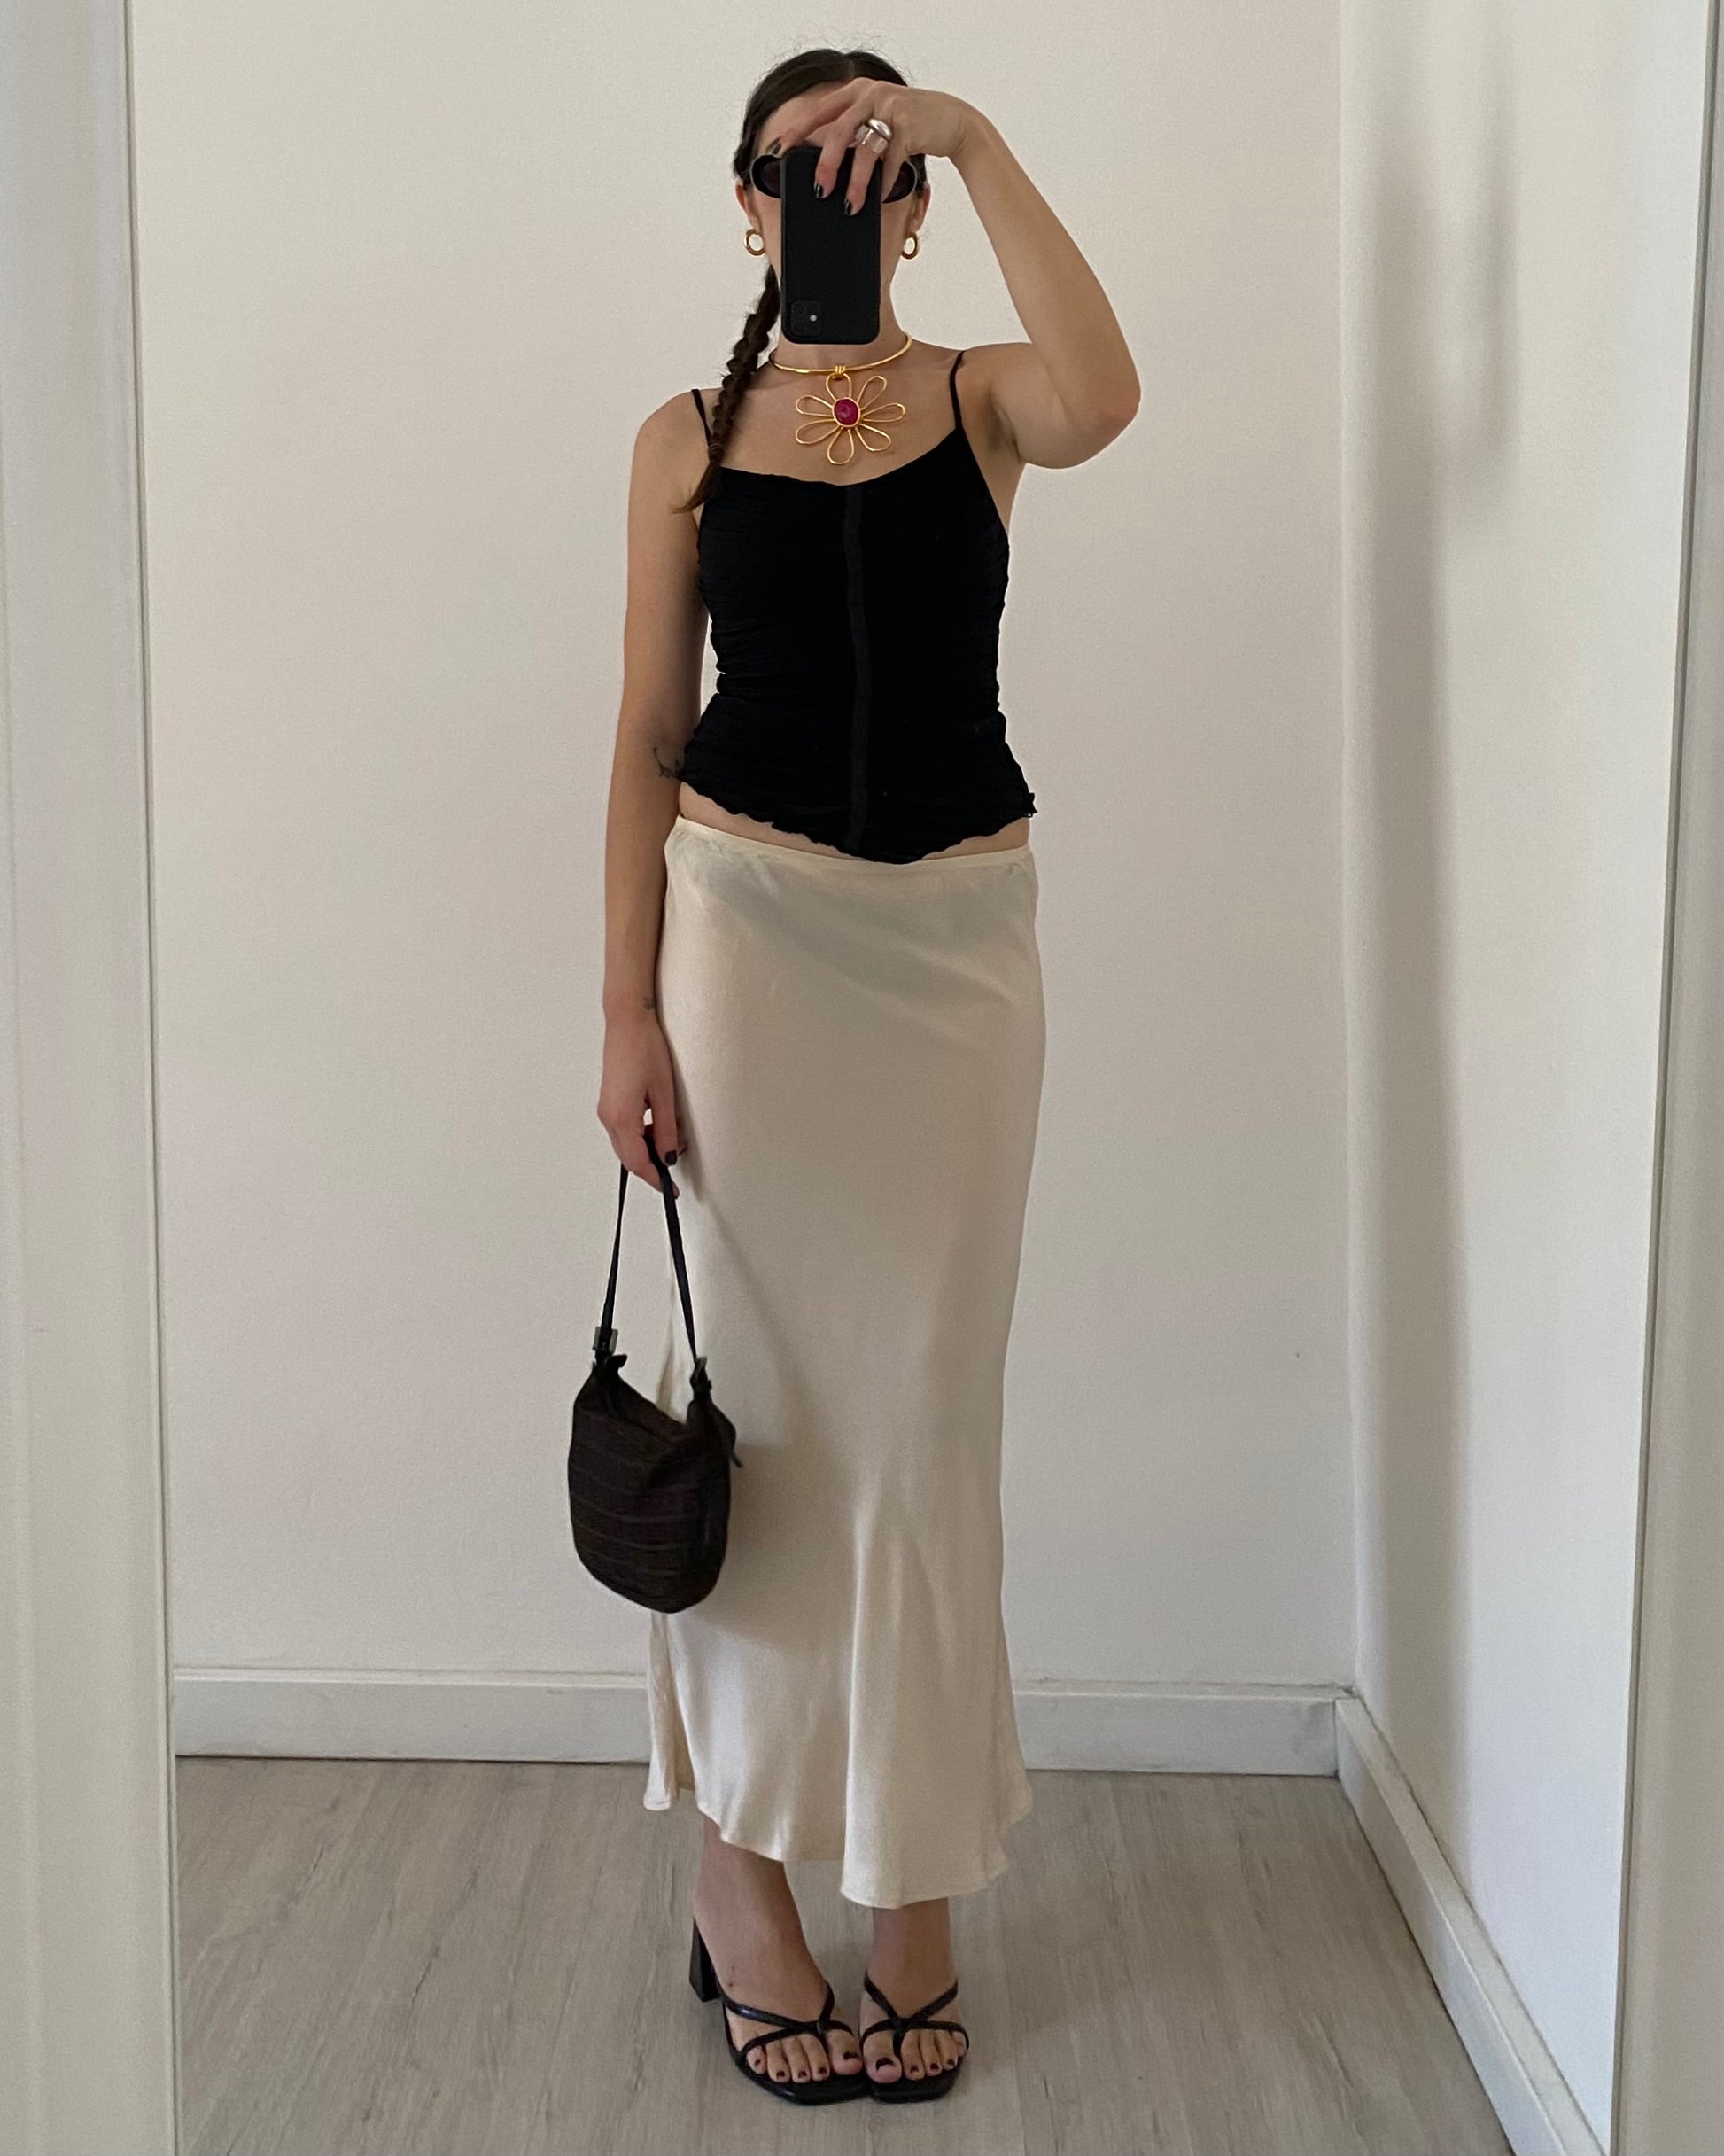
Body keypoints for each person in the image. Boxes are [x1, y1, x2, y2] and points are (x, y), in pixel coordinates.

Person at [596, 47, 1138, 2105]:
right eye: (792, 167)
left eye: (874, 164)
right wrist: (625, 1009)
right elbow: (647, 736)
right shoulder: (680, 437)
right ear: (744, 205)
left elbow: (1108, 396)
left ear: (906, 206)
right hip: (745, 940)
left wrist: (976, 136)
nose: (834, 192)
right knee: (762, 1425)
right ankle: (740, 1884)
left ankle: (911, 1881)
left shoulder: (983, 402)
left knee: (923, 1430)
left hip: (954, 960)